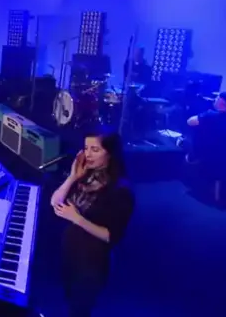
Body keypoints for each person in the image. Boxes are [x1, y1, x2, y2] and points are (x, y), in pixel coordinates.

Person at [50, 129, 135, 317]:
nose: (87, 154)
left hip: (91, 263)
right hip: (71, 253)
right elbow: (55, 202)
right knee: (69, 300)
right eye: (86, 148)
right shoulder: (86, 175)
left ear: (110, 153)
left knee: (80, 310)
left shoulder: (120, 191)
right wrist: (72, 176)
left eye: (95, 150)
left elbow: (111, 236)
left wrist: (77, 218)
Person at [186, 91, 226, 201]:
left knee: (187, 139)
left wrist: (207, 114)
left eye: (217, 98)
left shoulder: (212, 116)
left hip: (212, 157)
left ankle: (190, 166)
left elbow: (190, 121)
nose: (214, 99)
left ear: (222, 103)